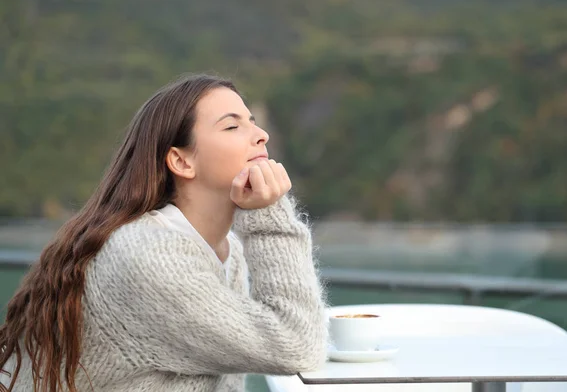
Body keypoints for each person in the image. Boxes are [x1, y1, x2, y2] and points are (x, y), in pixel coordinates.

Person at [0, 74, 328, 392]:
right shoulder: (151, 257)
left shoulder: (226, 250)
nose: (261, 135)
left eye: (252, 121)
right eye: (232, 126)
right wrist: (268, 214)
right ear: (181, 161)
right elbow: (296, 344)